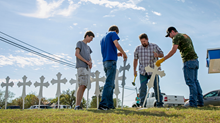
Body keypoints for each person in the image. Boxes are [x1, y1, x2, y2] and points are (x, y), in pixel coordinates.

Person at [156, 26, 204, 107]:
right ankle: (200, 102)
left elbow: (173, 50)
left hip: (188, 61)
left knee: (190, 82)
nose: (170, 37)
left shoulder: (176, 37)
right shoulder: (185, 35)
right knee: (195, 81)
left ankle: (192, 103)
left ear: (172, 32)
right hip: (195, 61)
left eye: (169, 35)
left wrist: (162, 59)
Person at [98, 25, 127, 110]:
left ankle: (110, 105)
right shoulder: (113, 33)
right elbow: (117, 45)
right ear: (116, 31)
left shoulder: (103, 38)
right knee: (109, 83)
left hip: (105, 62)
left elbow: (108, 49)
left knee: (111, 84)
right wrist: (124, 54)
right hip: (111, 62)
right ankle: (103, 104)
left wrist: (117, 54)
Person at [133, 33, 164, 108]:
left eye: (144, 41)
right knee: (143, 88)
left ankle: (159, 104)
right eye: (141, 42)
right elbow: (135, 60)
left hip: (153, 70)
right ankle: (142, 104)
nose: (143, 43)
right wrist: (134, 70)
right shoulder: (138, 48)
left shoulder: (154, 46)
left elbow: (162, 54)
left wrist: (157, 55)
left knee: (156, 87)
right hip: (143, 71)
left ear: (147, 39)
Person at [75, 31, 95, 110]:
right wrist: (86, 61)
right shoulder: (79, 43)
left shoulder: (88, 47)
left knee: (84, 86)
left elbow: (89, 57)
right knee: (81, 85)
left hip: (87, 68)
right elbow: (77, 54)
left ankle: (79, 105)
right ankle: (77, 105)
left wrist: (90, 62)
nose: (91, 40)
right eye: (91, 38)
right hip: (81, 67)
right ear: (87, 36)